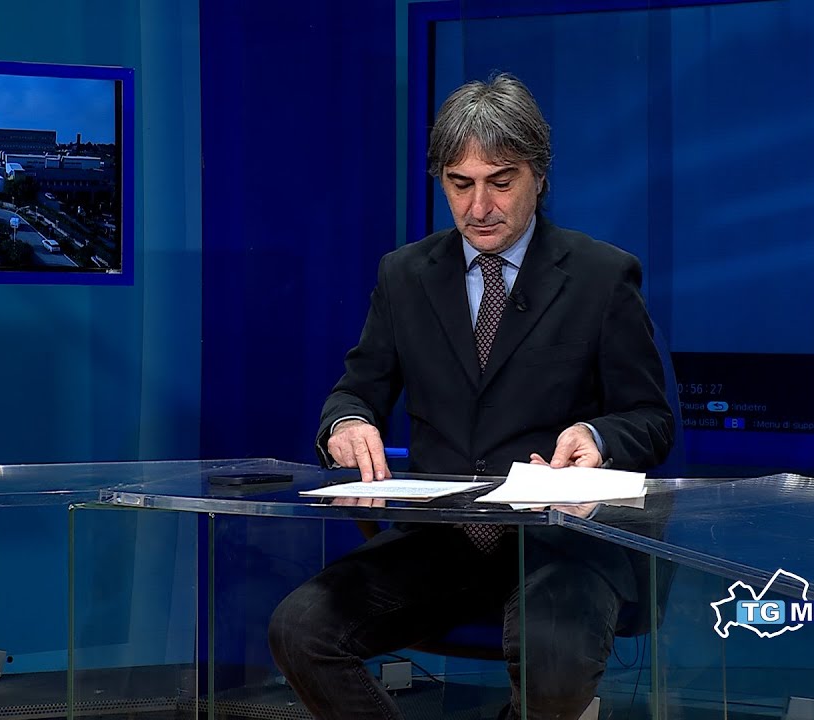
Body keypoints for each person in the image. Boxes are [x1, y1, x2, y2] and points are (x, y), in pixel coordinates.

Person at [267, 73, 674, 720]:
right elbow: (357, 390)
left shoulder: (601, 276)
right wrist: (346, 423)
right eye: (460, 184)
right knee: (300, 629)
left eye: (500, 182)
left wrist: (597, 437)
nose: (479, 206)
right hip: (442, 540)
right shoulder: (404, 275)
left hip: (558, 542)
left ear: (539, 175)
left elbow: (650, 418)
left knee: (553, 658)